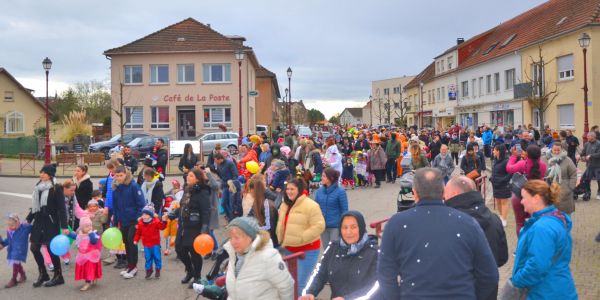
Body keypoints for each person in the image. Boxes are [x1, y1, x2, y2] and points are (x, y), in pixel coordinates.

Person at [376, 168, 498, 299]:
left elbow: (385, 275)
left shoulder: (395, 224)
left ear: (415, 193)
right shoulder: (468, 223)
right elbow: (489, 275)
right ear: (444, 191)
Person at [501, 180, 577, 300]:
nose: (521, 201)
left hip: (545, 292)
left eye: (524, 197)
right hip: (558, 287)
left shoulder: (542, 228)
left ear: (536, 198)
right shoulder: (556, 218)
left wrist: (516, 280)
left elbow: (537, 267)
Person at [203, 217, 293, 299]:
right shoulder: (234, 256)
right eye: (230, 238)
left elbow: (286, 286)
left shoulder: (268, 257)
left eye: (237, 238)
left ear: (250, 237)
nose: (232, 242)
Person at [300, 211, 379, 300]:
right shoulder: (333, 248)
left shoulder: (374, 252)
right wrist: (309, 292)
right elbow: (319, 273)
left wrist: (347, 299)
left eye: (353, 227)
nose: (348, 232)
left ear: (361, 228)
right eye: (344, 227)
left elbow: (376, 286)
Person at [444, 176, 508, 269]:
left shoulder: (449, 223)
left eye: (445, 193)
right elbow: (502, 258)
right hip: (488, 279)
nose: (444, 197)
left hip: (460, 281)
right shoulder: (495, 219)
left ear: (455, 194)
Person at [276, 178, 325, 294]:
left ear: (300, 190)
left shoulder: (311, 205)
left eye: (292, 189)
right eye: (287, 189)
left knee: (299, 285)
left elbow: (319, 225)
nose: (289, 191)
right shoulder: (284, 204)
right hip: (289, 249)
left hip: (307, 251)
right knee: (290, 284)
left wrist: (302, 237)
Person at [27, 164, 69, 287]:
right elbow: (36, 206)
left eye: (44, 173)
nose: (41, 175)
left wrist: (64, 226)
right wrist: (28, 219)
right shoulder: (38, 186)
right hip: (39, 221)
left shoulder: (56, 188)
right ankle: (43, 274)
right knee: (34, 248)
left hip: (51, 222)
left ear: (50, 175)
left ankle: (58, 276)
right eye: (41, 172)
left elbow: (62, 208)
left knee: (52, 249)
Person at [171, 168, 211, 287]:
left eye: (191, 176)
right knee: (179, 249)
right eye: (188, 175)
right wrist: (172, 214)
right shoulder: (187, 189)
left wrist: (204, 229)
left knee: (194, 253)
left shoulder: (202, 191)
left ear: (198, 179)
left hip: (195, 226)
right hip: (183, 225)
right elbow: (183, 206)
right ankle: (190, 271)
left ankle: (197, 277)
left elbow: (206, 211)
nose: (188, 177)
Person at [111, 166, 146, 279]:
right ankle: (129, 266)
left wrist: (138, 220)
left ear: (126, 174)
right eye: (117, 176)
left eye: (121, 175)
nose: (119, 178)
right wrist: (116, 222)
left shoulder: (134, 186)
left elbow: (141, 204)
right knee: (126, 243)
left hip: (133, 221)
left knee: (132, 243)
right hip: (123, 220)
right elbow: (115, 206)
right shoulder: (116, 188)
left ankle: (134, 267)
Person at [506, 144, 547, 236]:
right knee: (536, 221)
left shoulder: (523, 164)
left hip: (520, 197)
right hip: (537, 197)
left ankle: (522, 244)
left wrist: (513, 156)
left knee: (520, 223)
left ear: (527, 154)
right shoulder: (543, 165)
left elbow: (509, 168)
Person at [314, 168, 349, 248]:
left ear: (331, 178)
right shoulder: (319, 191)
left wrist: (344, 226)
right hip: (323, 226)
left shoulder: (340, 192)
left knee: (335, 249)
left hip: (335, 226)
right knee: (326, 250)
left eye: (324, 176)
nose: (321, 178)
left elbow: (345, 210)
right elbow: (315, 208)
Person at [68, 216, 102, 291]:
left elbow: (94, 241)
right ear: (81, 228)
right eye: (87, 226)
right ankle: (90, 279)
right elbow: (74, 236)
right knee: (85, 269)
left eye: (90, 225)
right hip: (83, 256)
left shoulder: (93, 234)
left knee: (90, 269)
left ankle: (88, 283)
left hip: (91, 256)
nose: (89, 227)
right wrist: (68, 233)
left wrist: (90, 233)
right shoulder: (79, 234)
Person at [133, 205, 167, 280]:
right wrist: (136, 240)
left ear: (151, 215)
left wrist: (164, 221)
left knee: (157, 257)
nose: (144, 216)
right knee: (148, 258)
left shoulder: (156, 221)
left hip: (155, 244)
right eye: (143, 214)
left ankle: (158, 270)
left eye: (146, 214)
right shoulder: (141, 223)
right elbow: (138, 233)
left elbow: (162, 227)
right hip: (146, 245)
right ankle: (149, 270)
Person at [0, 213, 32, 288]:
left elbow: (34, 227)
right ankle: (23, 275)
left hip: (20, 249)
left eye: (12, 225)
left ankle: (14, 279)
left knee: (15, 262)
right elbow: (8, 240)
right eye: (9, 225)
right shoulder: (9, 231)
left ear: (18, 223)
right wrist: (3, 244)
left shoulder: (24, 227)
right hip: (12, 249)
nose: (11, 227)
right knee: (16, 263)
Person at [544, 142, 577, 214]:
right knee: (550, 215)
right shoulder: (545, 159)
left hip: (565, 190)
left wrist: (570, 187)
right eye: (554, 150)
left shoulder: (567, 160)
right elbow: (541, 173)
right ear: (551, 149)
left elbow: (573, 174)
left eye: (558, 150)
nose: (556, 152)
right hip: (549, 188)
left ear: (562, 150)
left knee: (565, 215)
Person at [247, 174, 279, 248]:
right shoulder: (257, 202)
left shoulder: (267, 204)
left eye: (250, 190)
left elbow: (269, 227)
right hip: (262, 237)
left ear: (255, 190)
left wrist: (253, 228)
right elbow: (250, 215)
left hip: (270, 242)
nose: (249, 193)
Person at [214, 152, 241, 221]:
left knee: (232, 203)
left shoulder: (230, 163)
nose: (215, 162)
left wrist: (232, 185)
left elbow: (235, 175)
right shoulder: (219, 165)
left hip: (232, 186)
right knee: (223, 203)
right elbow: (221, 176)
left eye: (215, 160)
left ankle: (232, 219)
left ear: (220, 159)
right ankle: (230, 217)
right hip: (225, 186)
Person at [490, 144, 512, 226]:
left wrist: (503, 180)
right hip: (495, 184)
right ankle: (501, 216)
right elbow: (494, 170)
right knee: (498, 201)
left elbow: (510, 173)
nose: (493, 151)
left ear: (498, 151)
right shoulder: (495, 159)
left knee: (504, 202)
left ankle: (504, 219)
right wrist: (491, 178)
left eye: (494, 150)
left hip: (504, 185)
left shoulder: (507, 161)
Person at [577, 132, 600, 201]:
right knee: (586, 180)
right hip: (589, 165)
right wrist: (579, 156)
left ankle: (599, 193)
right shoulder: (587, 144)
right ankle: (587, 193)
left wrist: (591, 155)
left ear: (593, 137)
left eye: (588, 136)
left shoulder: (598, 144)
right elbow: (583, 152)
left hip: (598, 166)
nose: (587, 137)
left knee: (599, 180)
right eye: (587, 136)